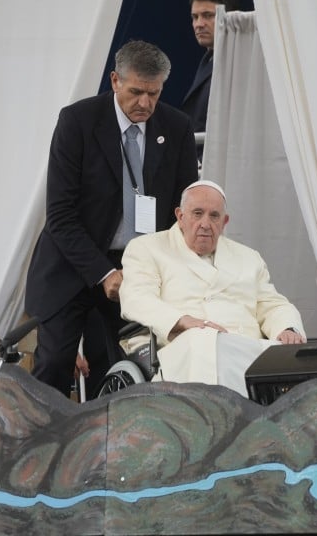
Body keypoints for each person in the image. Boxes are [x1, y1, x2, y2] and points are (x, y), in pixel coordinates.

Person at [25, 40, 199, 400]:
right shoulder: (77, 121)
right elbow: (60, 213)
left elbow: (181, 209)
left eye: (154, 93)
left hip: (138, 268)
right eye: (136, 92)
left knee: (124, 366)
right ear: (115, 80)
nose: (145, 104)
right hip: (71, 265)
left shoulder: (176, 126)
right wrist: (104, 273)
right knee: (55, 364)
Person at [118, 179, 306, 397]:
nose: (206, 223)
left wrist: (287, 328)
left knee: (296, 357)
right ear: (180, 216)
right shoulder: (147, 248)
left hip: (247, 347)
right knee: (204, 343)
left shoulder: (248, 257)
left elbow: (272, 304)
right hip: (183, 346)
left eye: (214, 216)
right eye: (197, 213)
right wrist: (182, 320)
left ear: (224, 221)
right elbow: (137, 297)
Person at [180, 0, 241, 145]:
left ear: (230, 17)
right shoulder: (209, 58)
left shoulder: (241, 61)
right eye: (195, 17)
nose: (199, 24)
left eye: (208, 15)